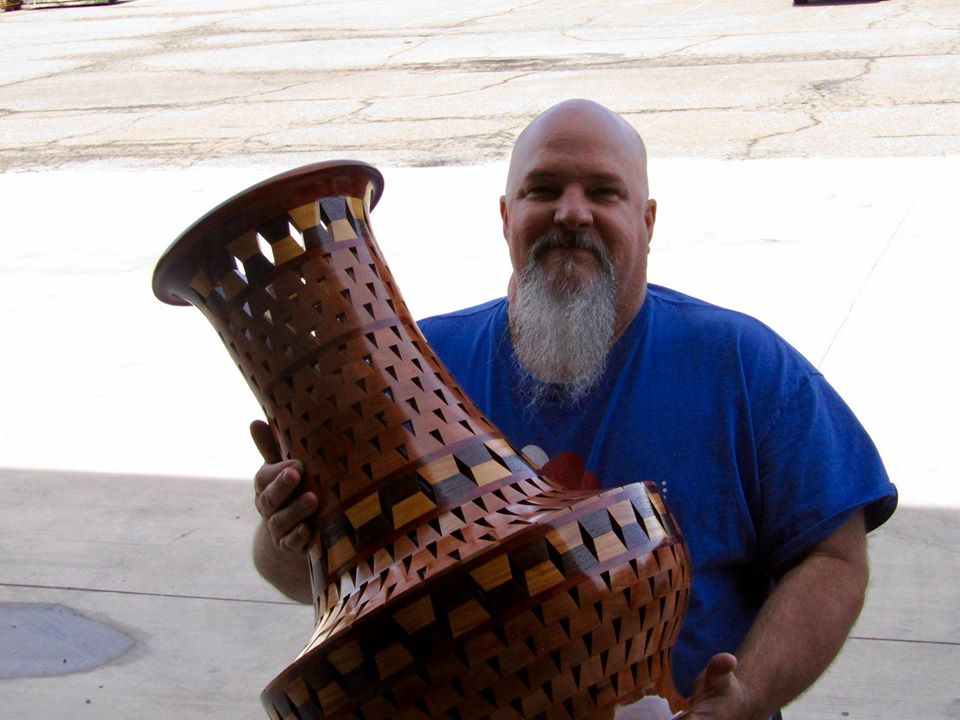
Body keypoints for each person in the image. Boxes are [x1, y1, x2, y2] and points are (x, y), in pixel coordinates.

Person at [250, 99, 897, 720]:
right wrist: (292, 533)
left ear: (647, 221)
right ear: (506, 215)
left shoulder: (742, 366)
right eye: (544, 189)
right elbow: (311, 581)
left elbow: (832, 557)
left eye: (604, 192)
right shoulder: (412, 369)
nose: (571, 213)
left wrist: (745, 696)